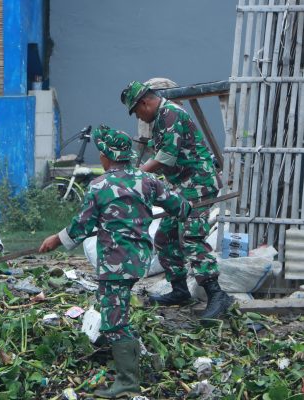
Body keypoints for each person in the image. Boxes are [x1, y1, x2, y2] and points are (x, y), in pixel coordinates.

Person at [39, 126, 191, 399]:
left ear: (106, 157)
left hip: (116, 263)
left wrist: (55, 240)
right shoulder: (147, 181)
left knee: (113, 322)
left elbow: (81, 227)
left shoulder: (99, 186)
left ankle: (127, 383)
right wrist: (187, 208)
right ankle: (130, 371)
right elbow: (179, 206)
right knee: (118, 316)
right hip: (139, 260)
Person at [121, 80, 233, 320]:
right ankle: (180, 290)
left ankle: (217, 295)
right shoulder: (160, 119)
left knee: (191, 238)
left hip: (198, 186)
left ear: (144, 102)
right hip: (181, 188)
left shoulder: (170, 114)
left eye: (137, 111)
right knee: (165, 237)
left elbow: (166, 157)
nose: (139, 117)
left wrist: (137, 175)